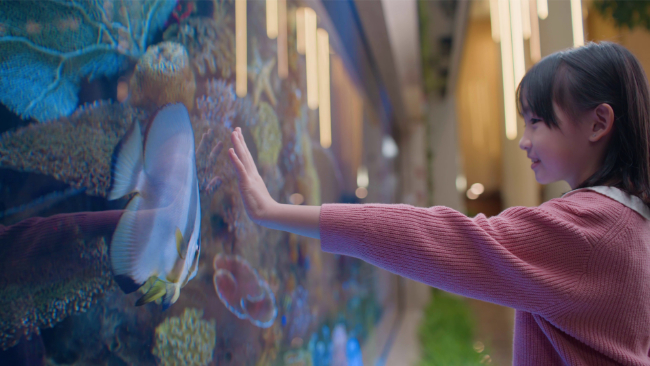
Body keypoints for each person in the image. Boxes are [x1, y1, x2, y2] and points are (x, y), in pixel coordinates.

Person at [229, 41, 650, 365]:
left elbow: (441, 239)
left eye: (536, 122)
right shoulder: (630, 224)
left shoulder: (588, 231)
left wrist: (273, 211)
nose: (524, 140)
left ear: (599, 123)